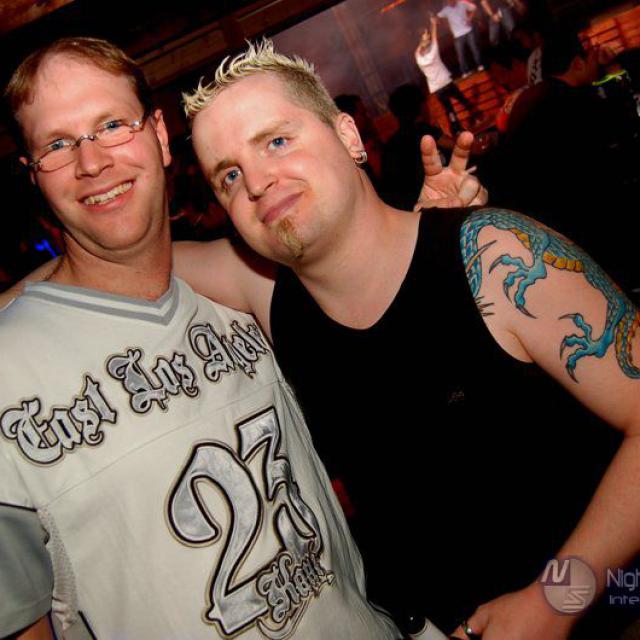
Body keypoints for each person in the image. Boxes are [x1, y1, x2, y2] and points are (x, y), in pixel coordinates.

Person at [171, 41, 639, 639]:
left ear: (347, 135)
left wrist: (557, 600)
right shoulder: (268, 294)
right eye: (229, 175)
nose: (257, 181)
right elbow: (120, 257)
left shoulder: (493, 257)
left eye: (277, 141)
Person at [0, 36, 434, 640]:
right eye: (56, 144)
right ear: (33, 175)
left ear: (159, 135)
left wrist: (422, 239)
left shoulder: (247, 290)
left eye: (112, 126)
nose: (91, 162)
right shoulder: (9, 368)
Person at [415, 17, 480, 132]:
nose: (428, 35)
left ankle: (456, 129)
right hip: (446, 82)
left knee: (449, 110)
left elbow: (419, 50)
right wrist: (433, 25)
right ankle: (477, 117)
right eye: (426, 34)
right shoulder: (433, 51)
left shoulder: (418, 58)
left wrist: (422, 42)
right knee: (463, 101)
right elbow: (434, 37)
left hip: (436, 88)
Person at [436, 0, 484, 78]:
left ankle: (480, 65)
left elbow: (474, 8)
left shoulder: (462, 3)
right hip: (457, 35)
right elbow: (437, 17)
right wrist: (436, 20)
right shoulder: (446, 9)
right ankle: (465, 71)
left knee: (475, 49)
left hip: (468, 31)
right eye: (449, 1)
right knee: (461, 55)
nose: (450, 2)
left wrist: (470, 18)